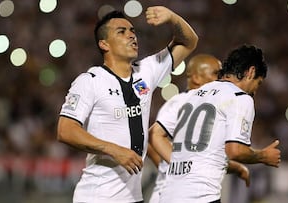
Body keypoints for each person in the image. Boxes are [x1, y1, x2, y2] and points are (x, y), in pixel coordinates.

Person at [57, 6, 198, 203]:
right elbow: (66, 130)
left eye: (133, 31)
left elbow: (189, 42)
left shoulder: (146, 71)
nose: (132, 36)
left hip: (133, 197)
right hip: (97, 197)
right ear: (104, 44)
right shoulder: (90, 81)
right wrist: (114, 150)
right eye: (121, 32)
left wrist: (173, 18)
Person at [149, 44, 281, 202]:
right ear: (251, 72)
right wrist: (263, 156)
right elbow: (235, 151)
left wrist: (179, 163)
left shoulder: (194, 94)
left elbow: (156, 134)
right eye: (258, 83)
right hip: (200, 196)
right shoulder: (240, 97)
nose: (255, 90)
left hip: (169, 194)